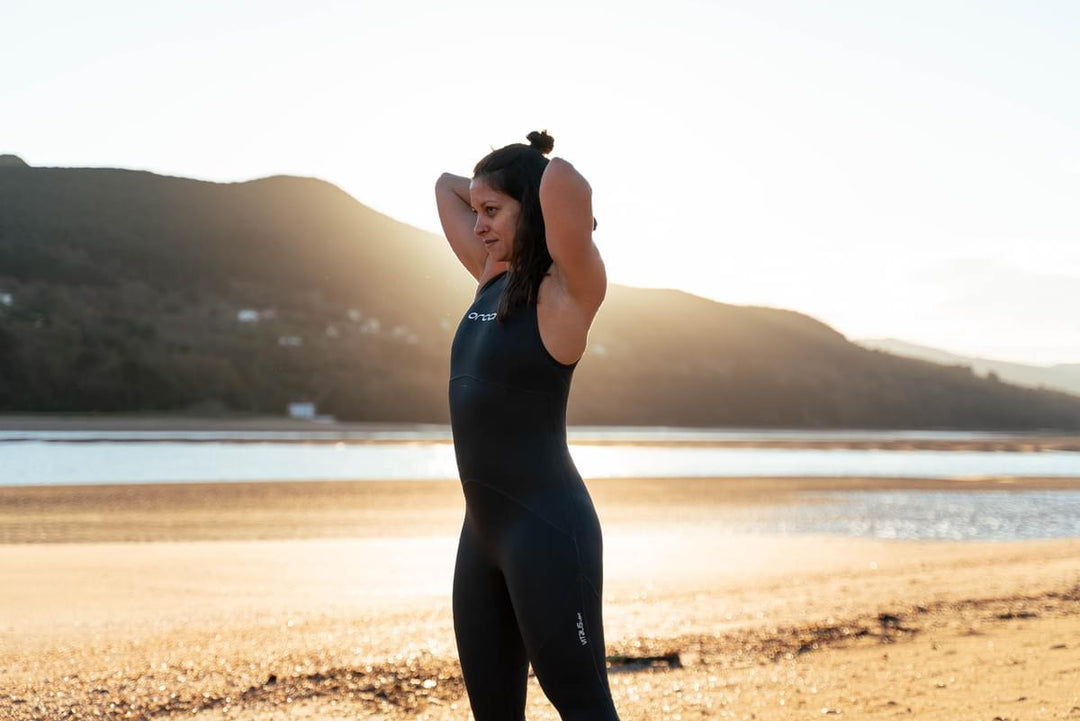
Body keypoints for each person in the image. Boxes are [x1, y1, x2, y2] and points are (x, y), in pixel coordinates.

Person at [435, 130, 619, 721]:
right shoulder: (490, 274)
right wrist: (495, 187)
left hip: (547, 529)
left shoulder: (566, 294)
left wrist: (529, 172)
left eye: (493, 211)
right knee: (492, 712)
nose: (479, 222)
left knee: (581, 701)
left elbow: (566, 180)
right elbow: (445, 187)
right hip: (482, 535)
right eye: (479, 212)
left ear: (534, 211)